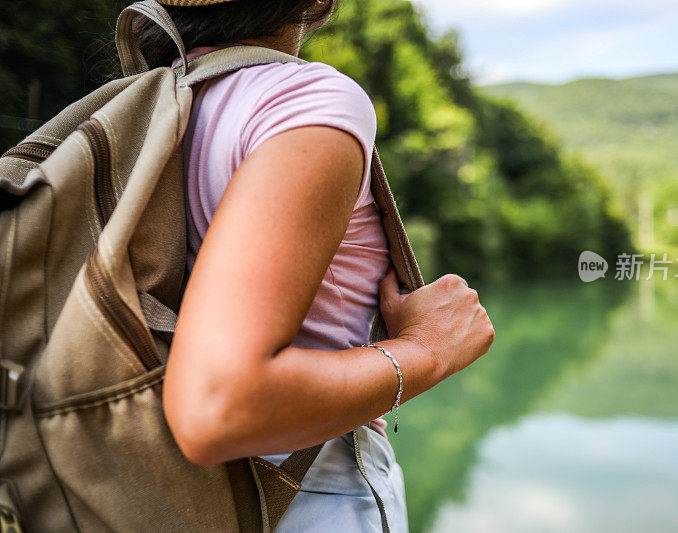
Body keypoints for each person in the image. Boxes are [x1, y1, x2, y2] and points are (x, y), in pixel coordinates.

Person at [137, 0, 495, 530]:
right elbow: (219, 408)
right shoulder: (303, 101)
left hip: (155, 491)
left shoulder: (149, 109)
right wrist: (427, 350)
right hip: (303, 498)